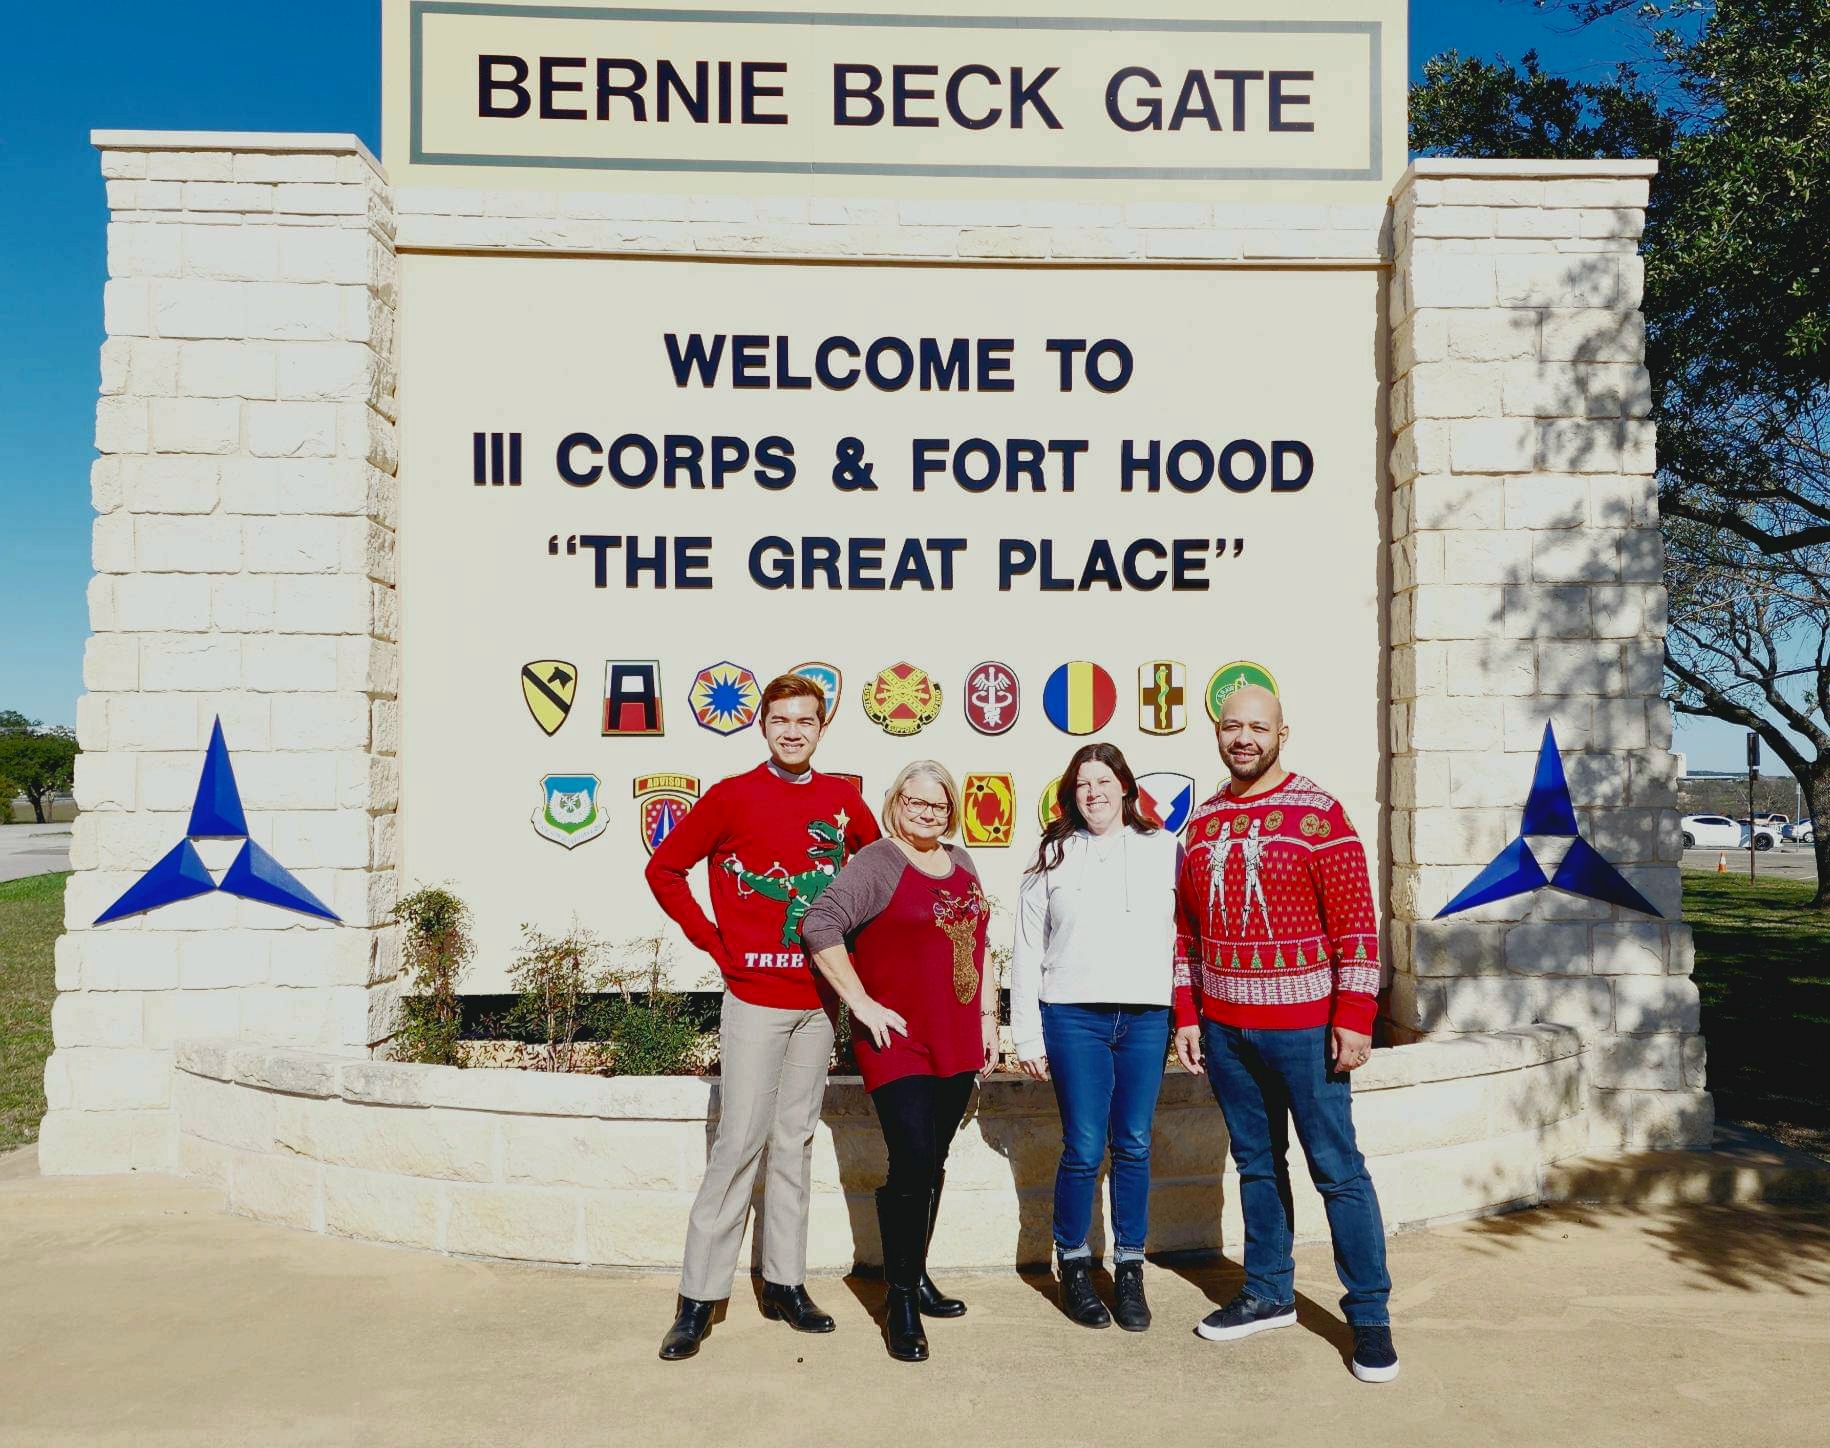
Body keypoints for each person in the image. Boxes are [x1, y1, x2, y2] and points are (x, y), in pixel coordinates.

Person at [644, 673, 878, 1362]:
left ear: (822, 726)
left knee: (795, 1142)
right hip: (753, 998)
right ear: (764, 726)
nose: (794, 731)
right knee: (739, 1141)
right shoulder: (730, 796)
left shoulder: (843, 800)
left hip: (817, 1004)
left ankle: (785, 1282)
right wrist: (713, 941)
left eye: (806, 720)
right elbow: (665, 869)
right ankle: (697, 1298)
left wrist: (859, 948)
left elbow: (878, 868)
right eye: (781, 720)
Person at [1172, 684, 1399, 1384]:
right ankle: (1268, 1290)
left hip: (1306, 1029)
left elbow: (1359, 926)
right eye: (1232, 726)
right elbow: (1186, 932)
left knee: (1337, 1170)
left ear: (1282, 733)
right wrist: (1188, 1015)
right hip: (1228, 1029)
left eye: (1257, 727)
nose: (1244, 737)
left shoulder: (1320, 815)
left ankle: (1369, 1316)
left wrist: (1355, 1018)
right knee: (1257, 1164)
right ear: (1218, 732)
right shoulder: (1202, 822)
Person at [801, 761, 995, 1363]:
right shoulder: (878, 864)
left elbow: (981, 942)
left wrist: (989, 1021)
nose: (925, 814)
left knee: (932, 1161)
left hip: (956, 1036)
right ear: (895, 802)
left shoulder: (962, 862)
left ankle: (918, 1275)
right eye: (914, 802)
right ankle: (901, 1301)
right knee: (911, 1158)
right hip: (899, 1040)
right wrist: (859, 1001)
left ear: (951, 811)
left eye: (937, 806)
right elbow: (819, 922)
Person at [1010, 743, 1179, 1332]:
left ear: (1126, 788)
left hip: (1145, 1017)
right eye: (1082, 784)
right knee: (1084, 1146)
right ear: (1069, 795)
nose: (1093, 793)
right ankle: (1075, 1265)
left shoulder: (1163, 849)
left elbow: (1186, 937)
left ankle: (1130, 1268)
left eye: (1104, 781)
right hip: (1073, 1016)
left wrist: (1186, 1016)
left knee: (1133, 1141)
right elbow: (1027, 948)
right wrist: (1026, 1034)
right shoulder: (1053, 854)